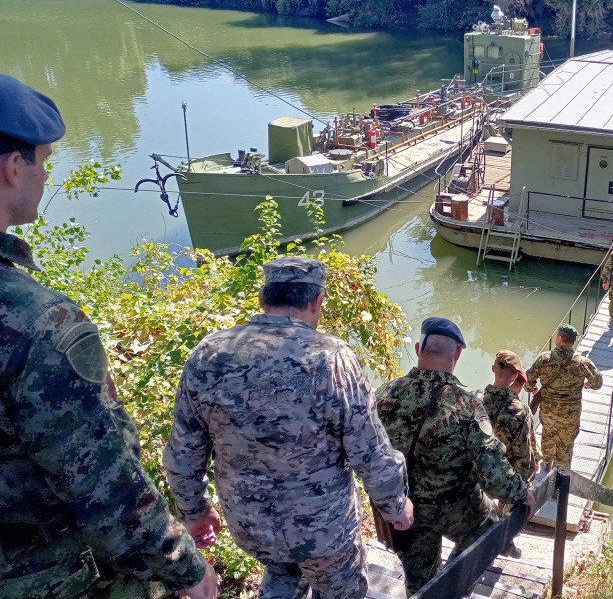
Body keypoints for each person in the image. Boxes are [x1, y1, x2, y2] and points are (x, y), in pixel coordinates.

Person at [0, 75, 217, 598]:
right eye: (44, 160)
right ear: (13, 167)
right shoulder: (38, 324)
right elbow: (109, 493)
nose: (46, 174)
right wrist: (190, 573)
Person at [164, 256, 413, 598]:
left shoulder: (210, 353)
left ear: (263, 299)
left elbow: (182, 454)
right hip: (325, 535)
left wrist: (195, 512)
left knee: (281, 570)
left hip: (252, 527)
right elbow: (370, 453)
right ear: (316, 301)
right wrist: (396, 505)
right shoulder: (331, 358)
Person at [375, 317, 535, 596]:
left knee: (419, 584)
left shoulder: (384, 393)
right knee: (491, 534)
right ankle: (457, 581)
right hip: (457, 509)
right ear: (458, 353)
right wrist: (523, 493)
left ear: (417, 348)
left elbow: (369, 456)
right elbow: (495, 477)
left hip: (404, 508)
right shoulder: (466, 403)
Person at [475, 349, 538, 559]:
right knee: (516, 499)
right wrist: (526, 482)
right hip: (503, 477)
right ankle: (503, 540)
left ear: (493, 368)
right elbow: (524, 461)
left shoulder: (472, 399)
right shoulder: (519, 410)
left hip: (473, 476)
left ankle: (491, 538)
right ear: (514, 377)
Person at [524, 324, 603, 469]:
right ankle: (561, 472)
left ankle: (547, 465)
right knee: (566, 442)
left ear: (559, 339)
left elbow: (527, 383)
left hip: (548, 410)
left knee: (548, 435)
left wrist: (534, 389)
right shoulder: (582, 363)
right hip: (570, 413)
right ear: (572, 341)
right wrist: (587, 383)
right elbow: (598, 383)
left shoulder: (543, 359)